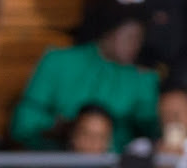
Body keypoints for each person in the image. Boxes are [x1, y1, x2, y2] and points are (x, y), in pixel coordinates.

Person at [10, 1, 160, 154]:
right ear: (109, 32)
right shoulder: (59, 61)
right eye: (131, 37)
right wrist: (60, 128)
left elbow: (152, 130)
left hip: (114, 163)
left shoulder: (141, 77)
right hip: (57, 160)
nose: (136, 45)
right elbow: (23, 124)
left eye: (140, 39)